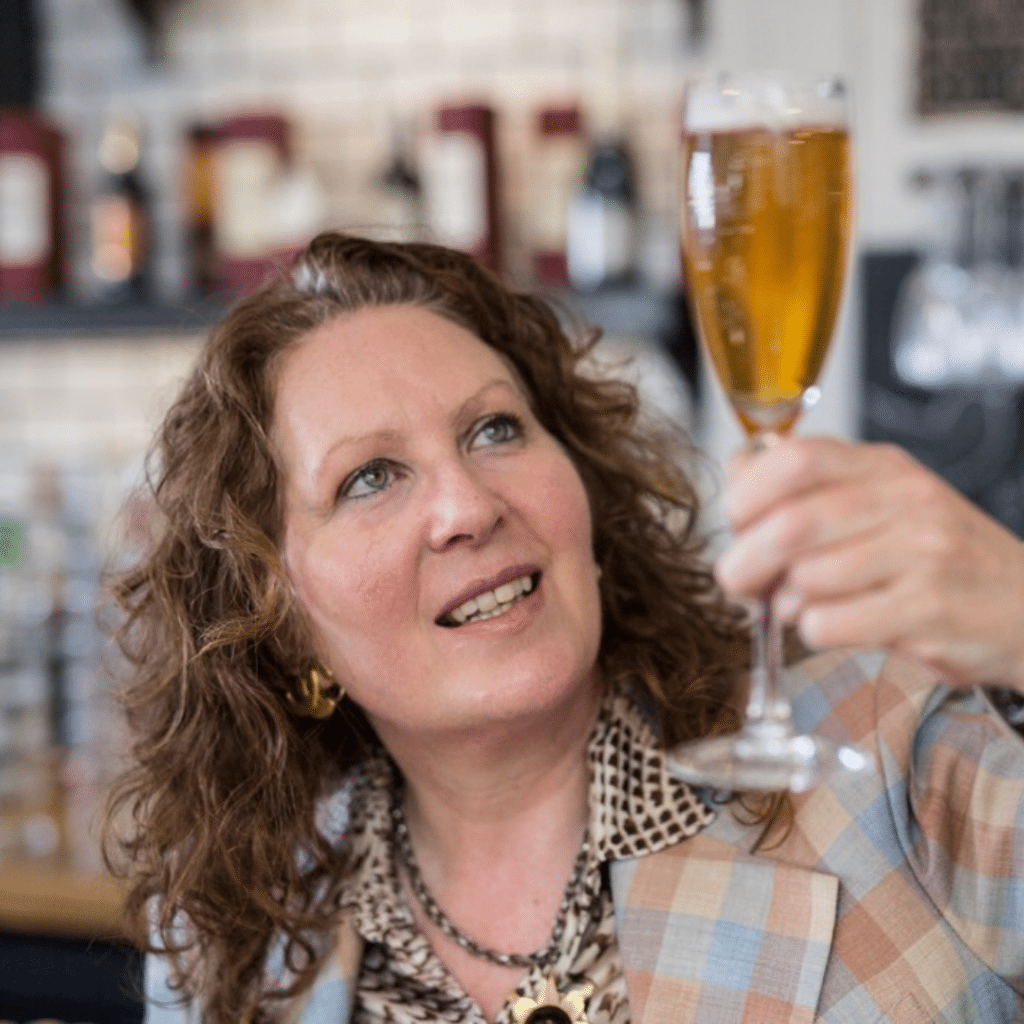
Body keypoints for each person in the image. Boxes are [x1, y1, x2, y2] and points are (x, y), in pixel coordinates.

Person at [105, 231, 1024, 1024]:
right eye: (370, 478)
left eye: (495, 430)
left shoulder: (890, 745)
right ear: (280, 620)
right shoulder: (238, 930)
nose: (466, 505)